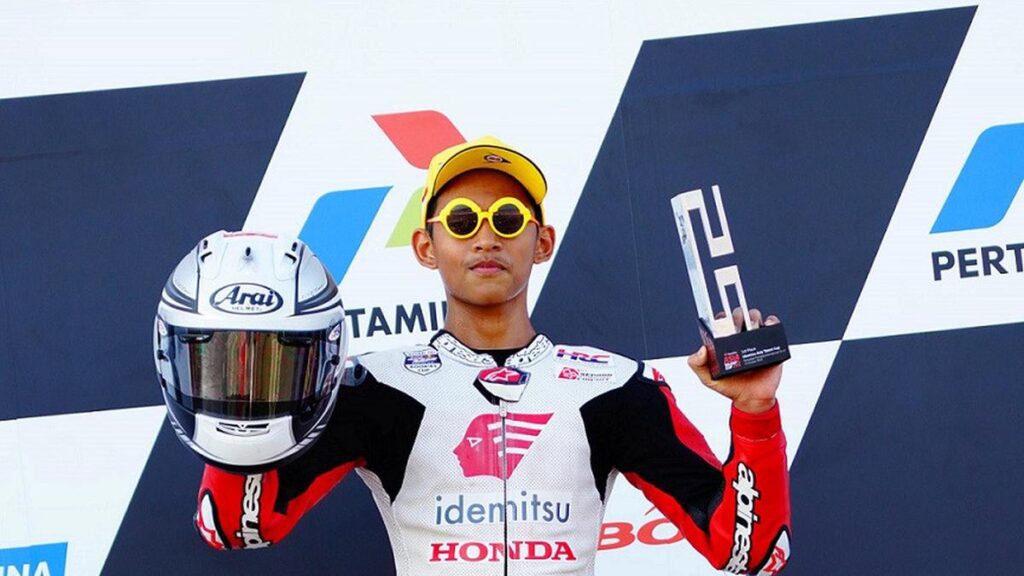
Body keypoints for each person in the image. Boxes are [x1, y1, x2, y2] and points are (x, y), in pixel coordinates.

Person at [188, 136, 791, 575]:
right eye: (461, 220)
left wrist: (756, 412)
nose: (485, 236)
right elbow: (235, 527)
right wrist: (241, 393)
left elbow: (751, 553)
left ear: (542, 241)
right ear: (426, 246)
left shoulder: (613, 387)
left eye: (507, 218)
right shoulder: (373, 387)